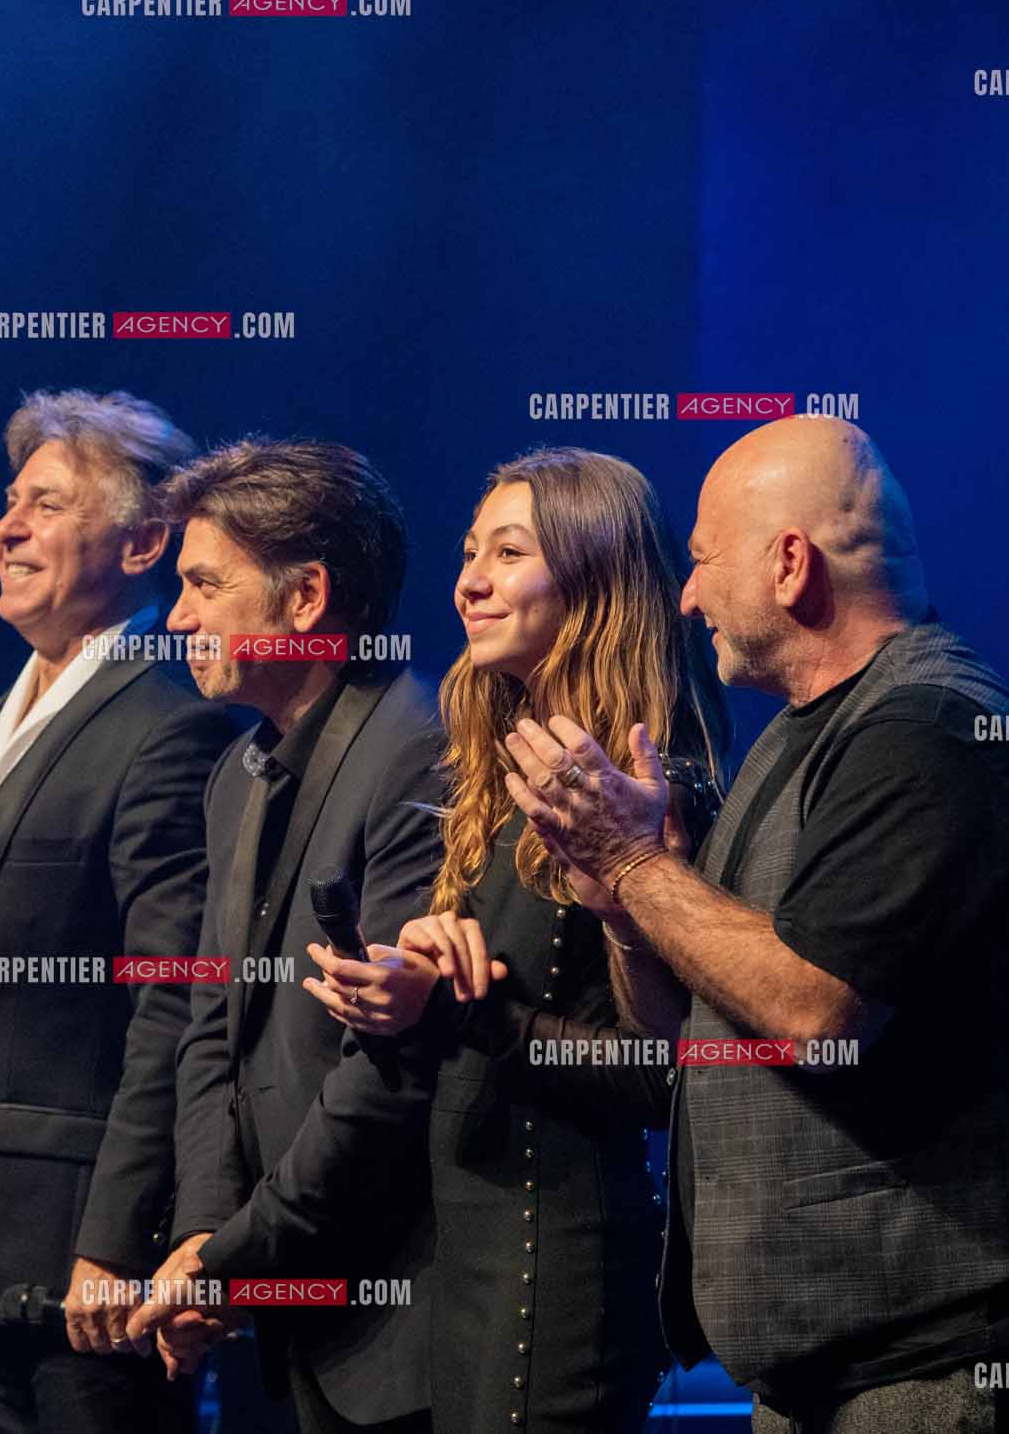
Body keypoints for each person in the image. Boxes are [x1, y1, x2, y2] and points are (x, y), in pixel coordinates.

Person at [500, 417, 1009, 1433]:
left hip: (946, 1371)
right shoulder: (802, 738)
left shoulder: (929, 731)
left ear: (791, 564)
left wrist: (635, 861)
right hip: (830, 1377)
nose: (687, 594)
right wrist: (623, 910)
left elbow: (814, 1012)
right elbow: (693, 1043)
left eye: (700, 562)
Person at [301, 447, 730, 1434]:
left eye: (507, 552)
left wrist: (479, 1013)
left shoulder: (656, 790)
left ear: (593, 580)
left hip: (559, 1267)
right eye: (467, 552)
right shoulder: (497, 782)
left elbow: (670, 1076)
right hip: (462, 1260)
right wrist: (406, 999)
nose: (469, 581)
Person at [0, 390, 233, 1434]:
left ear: (146, 539)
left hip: (85, 1257)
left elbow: (174, 1005)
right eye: (10, 501)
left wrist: (117, 1238)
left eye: (48, 505)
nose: (7, 526)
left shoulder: (168, 724)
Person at [127, 440, 447, 1434]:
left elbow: (384, 1071)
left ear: (306, 597)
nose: (177, 616)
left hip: (398, 1325)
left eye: (204, 584)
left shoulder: (420, 747)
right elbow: (211, 1035)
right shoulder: (237, 775)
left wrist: (224, 1264)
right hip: (277, 1313)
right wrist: (205, 1238)